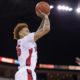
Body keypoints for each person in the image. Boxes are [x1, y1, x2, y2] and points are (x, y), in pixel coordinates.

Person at [13, 11, 50, 80]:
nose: (29, 32)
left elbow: (38, 31)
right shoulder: (26, 39)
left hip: (21, 73)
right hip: (27, 72)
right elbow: (46, 29)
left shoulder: (21, 42)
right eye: (27, 31)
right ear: (20, 33)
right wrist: (46, 17)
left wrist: (43, 19)